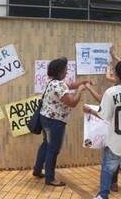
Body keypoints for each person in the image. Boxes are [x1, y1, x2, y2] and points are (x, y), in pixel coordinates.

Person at [32, 57, 87, 186]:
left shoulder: (53, 82)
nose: (67, 72)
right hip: (54, 122)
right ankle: (50, 178)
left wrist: (81, 82)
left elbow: (69, 85)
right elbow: (72, 103)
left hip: (45, 118)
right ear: (60, 71)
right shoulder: (58, 85)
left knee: (46, 144)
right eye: (65, 69)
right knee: (53, 149)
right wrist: (79, 91)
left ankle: (37, 170)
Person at [84, 61, 121, 199]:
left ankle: (103, 195)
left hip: (115, 141)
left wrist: (89, 110)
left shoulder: (111, 92)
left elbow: (103, 114)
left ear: (116, 75)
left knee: (107, 169)